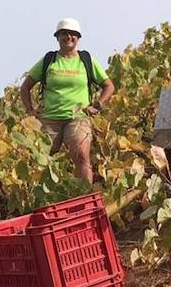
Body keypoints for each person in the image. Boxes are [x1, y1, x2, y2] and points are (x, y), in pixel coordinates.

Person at [20, 18, 115, 184]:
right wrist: (30, 110)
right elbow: (25, 87)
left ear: (78, 38)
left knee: (81, 156)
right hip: (50, 119)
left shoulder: (86, 60)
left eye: (73, 34)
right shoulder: (49, 60)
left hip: (78, 118)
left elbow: (108, 86)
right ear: (57, 37)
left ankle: (83, 196)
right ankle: (45, 199)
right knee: (41, 160)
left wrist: (97, 105)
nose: (68, 37)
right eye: (64, 33)